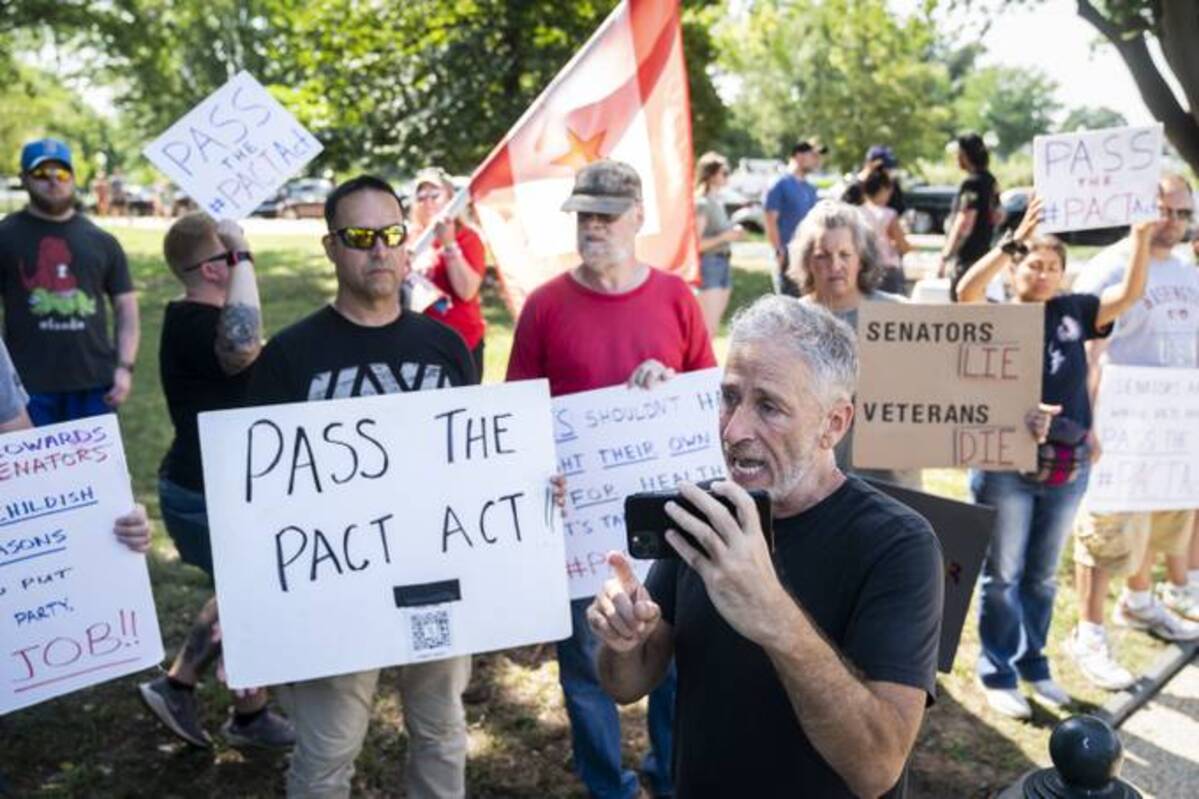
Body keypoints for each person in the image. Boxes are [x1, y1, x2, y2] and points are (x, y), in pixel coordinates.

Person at [588, 296, 943, 797]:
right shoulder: (707, 514)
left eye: (769, 407)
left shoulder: (897, 546)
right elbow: (625, 684)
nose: (734, 431)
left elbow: (876, 768)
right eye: (730, 397)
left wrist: (772, 613)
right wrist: (622, 641)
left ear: (833, 425)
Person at [246, 175, 478, 798]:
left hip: (435, 576)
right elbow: (257, 499)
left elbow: (475, 464)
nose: (379, 250)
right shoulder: (291, 357)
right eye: (360, 237)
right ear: (331, 248)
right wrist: (250, 620)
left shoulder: (448, 347)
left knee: (442, 733)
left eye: (391, 234)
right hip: (336, 589)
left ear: (407, 243)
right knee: (327, 754)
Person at [507, 159, 715, 799]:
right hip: (578, 526)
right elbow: (517, 413)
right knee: (586, 670)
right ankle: (609, 787)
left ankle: (670, 774)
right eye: (584, 215)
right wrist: (537, 471)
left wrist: (671, 387)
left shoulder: (676, 297)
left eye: (606, 215)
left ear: (639, 218)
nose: (593, 227)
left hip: (668, 528)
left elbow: (710, 398)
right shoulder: (544, 306)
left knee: (674, 660)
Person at [955, 196, 1154, 718]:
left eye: (1053, 266)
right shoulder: (996, 316)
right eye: (1033, 263)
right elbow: (965, 291)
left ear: (1064, 275)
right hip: (1005, 464)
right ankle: (997, 669)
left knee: (1042, 575)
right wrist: (1010, 242)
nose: (1043, 274)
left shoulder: (1076, 311)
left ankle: (1033, 662)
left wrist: (1139, 238)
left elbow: (1129, 293)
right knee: (1003, 574)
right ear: (1017, 267)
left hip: (1066, 465)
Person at [136, 213, 294, 750]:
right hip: (202, 493)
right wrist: (242, 252)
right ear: (213, 268)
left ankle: (249, 714)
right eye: (233, 257)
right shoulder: (199, 325)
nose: (244, 262)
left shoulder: (199, 319)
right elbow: (244, 346)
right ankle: (177, 683)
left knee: (245, 590)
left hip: (212, 486)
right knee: (251, 590)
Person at [1068, 174, 1199, 690]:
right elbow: (1085, 346)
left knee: (1160, 516)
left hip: (1174, 425)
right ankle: (1089, 633)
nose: (1173, 222)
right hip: (1118, 423)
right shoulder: (1108, 267)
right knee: (1102, 533)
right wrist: (1090, 420)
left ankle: (1141, 602)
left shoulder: (1189, 273)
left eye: (1182, 213)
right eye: (1164, 211)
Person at [0, 138, 139, 425]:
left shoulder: (102, 241)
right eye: (41, 174)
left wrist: (125, 367)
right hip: (26, 388)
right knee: (35, 470)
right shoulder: (5, 237)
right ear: (24, 179)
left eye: (61, 173)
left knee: (98, 471)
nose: (53, 182)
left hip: (94, 383)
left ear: (74, 178)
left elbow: (126, 307)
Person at [789, 199, 918, 490]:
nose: (835, 266)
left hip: (892, 484)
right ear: (807, 261)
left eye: (845, 254)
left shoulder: (901, 315)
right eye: (823, 256)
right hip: (812, 487)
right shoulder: (788, 323)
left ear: (862, 257)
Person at [409, 167, 489, 378]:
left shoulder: (468, 237)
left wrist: (449, 244)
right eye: (421, 197)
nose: (427, 202)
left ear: (451, 199)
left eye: (435, 195)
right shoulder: (410, 239)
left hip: (462, 342)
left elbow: (466, 291)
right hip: (419, 342)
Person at [941, 133, 1001, 302]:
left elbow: (965, 221)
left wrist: (946, 254)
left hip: (967, 257)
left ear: (965, 155)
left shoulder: (971, 184)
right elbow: (999, 215)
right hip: (985, 255)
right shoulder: (991, 180)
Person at [765, 138, 825, 297]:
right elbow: (770, 219)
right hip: (788, 257)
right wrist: (778, 250)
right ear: (799, 155)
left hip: (808, 258)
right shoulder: (780, 183)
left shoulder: (810, 188)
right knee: (789, 308)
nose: (816, 161)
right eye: (813, 156)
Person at [693, 151, 745, 336]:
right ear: (711, 174)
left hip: (723, 264)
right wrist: (725, 237)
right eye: (724, 172)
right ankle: (702, 366)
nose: (727, 176)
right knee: (707, 329)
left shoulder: (717, 201)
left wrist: (733, 234)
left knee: (712, 328)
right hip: (709, 266)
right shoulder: (702, 203)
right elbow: (695, 245)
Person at [862, 168, 912, 295]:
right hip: (887, 270)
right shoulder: (889, 215)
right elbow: (902, 246)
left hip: (864, 269)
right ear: (883, 189)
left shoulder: (856, 213)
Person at [839, 144, 906, 215]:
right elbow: (843, 210)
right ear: (869, 164)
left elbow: (899, 211)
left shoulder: (891, 184)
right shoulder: (853, 184)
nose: (886, 171)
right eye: (881, 167)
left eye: (889, 167)